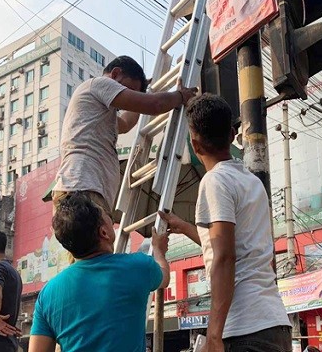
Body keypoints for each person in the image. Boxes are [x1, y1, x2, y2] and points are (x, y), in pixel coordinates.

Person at [159, 94, 292, 352]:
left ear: (194, 145)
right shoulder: (251, 182)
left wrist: (214, 334)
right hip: (274, 324)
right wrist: (186, 227)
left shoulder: (214, 181)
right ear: (232, 134)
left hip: (244, 329)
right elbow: (233, 245)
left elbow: (225, 256)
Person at [53, 55, 198, 215]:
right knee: (99, 239)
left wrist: (147, 94)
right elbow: (156, 104)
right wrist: (180, 96)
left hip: (78, 187)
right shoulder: (100, 83)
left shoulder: (98, 112)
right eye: (129, 90)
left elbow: (126, 123)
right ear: (115, 74)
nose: (129, 96)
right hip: (83, 187)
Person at [28, 192, 171, 351]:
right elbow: (164, 276)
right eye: (107, 215)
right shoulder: (138, 266)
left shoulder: (48, 294)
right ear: (104, 232)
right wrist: (159, 250)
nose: (112, 219)